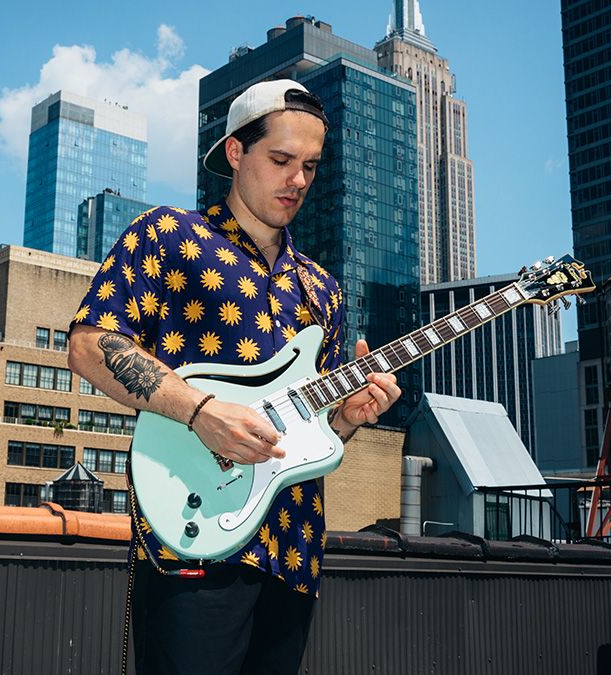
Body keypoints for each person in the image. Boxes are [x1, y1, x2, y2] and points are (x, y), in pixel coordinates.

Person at [66, 79, 402, 674]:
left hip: (293, 554)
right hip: (191, 541)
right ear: (234, 152)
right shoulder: (169, 236)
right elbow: (92, 344)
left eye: (310, 166)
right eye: (280, 160)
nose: (297, 179)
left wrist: (347, 420)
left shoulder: (322, 289)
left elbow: (310, 439)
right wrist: (200, 411)